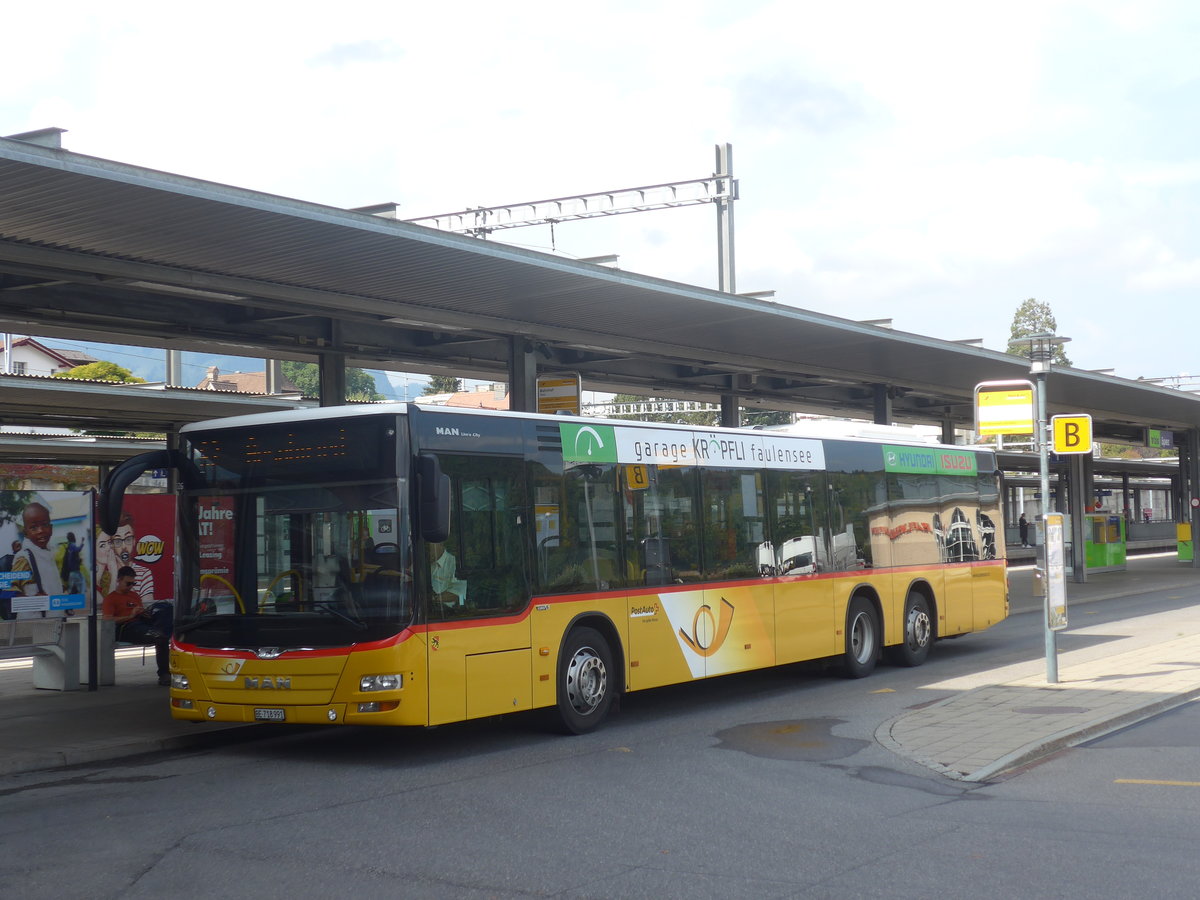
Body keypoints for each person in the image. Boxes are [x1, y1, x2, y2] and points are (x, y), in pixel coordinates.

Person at [103, 565, 173, 685]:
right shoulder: (111, 598)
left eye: (133, 584)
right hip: (126, 627)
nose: (130, 587)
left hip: (141, 623)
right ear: (119, 580)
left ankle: (163, 633)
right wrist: (130, 616)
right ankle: (164, 673)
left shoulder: (134, 595)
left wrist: (143, 613)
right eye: (128, 583)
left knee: (167, 610)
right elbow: (108, 620)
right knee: (160, 638)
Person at [11, 500, 65, 597]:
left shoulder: (49, 553)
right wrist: (32, 600)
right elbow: (11, 589)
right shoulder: (24, 558)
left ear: (51, 528)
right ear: (26, 532)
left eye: (45, 525)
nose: (41, 531)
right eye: (34, 527)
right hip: (35, 612)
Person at [427, 542, 467, 609]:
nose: (426, 548)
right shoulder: (423, 561)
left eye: (428, 545)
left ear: (440, 544)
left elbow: (459, 594)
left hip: (449, 613)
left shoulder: (454, 563)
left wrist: (433, 598)